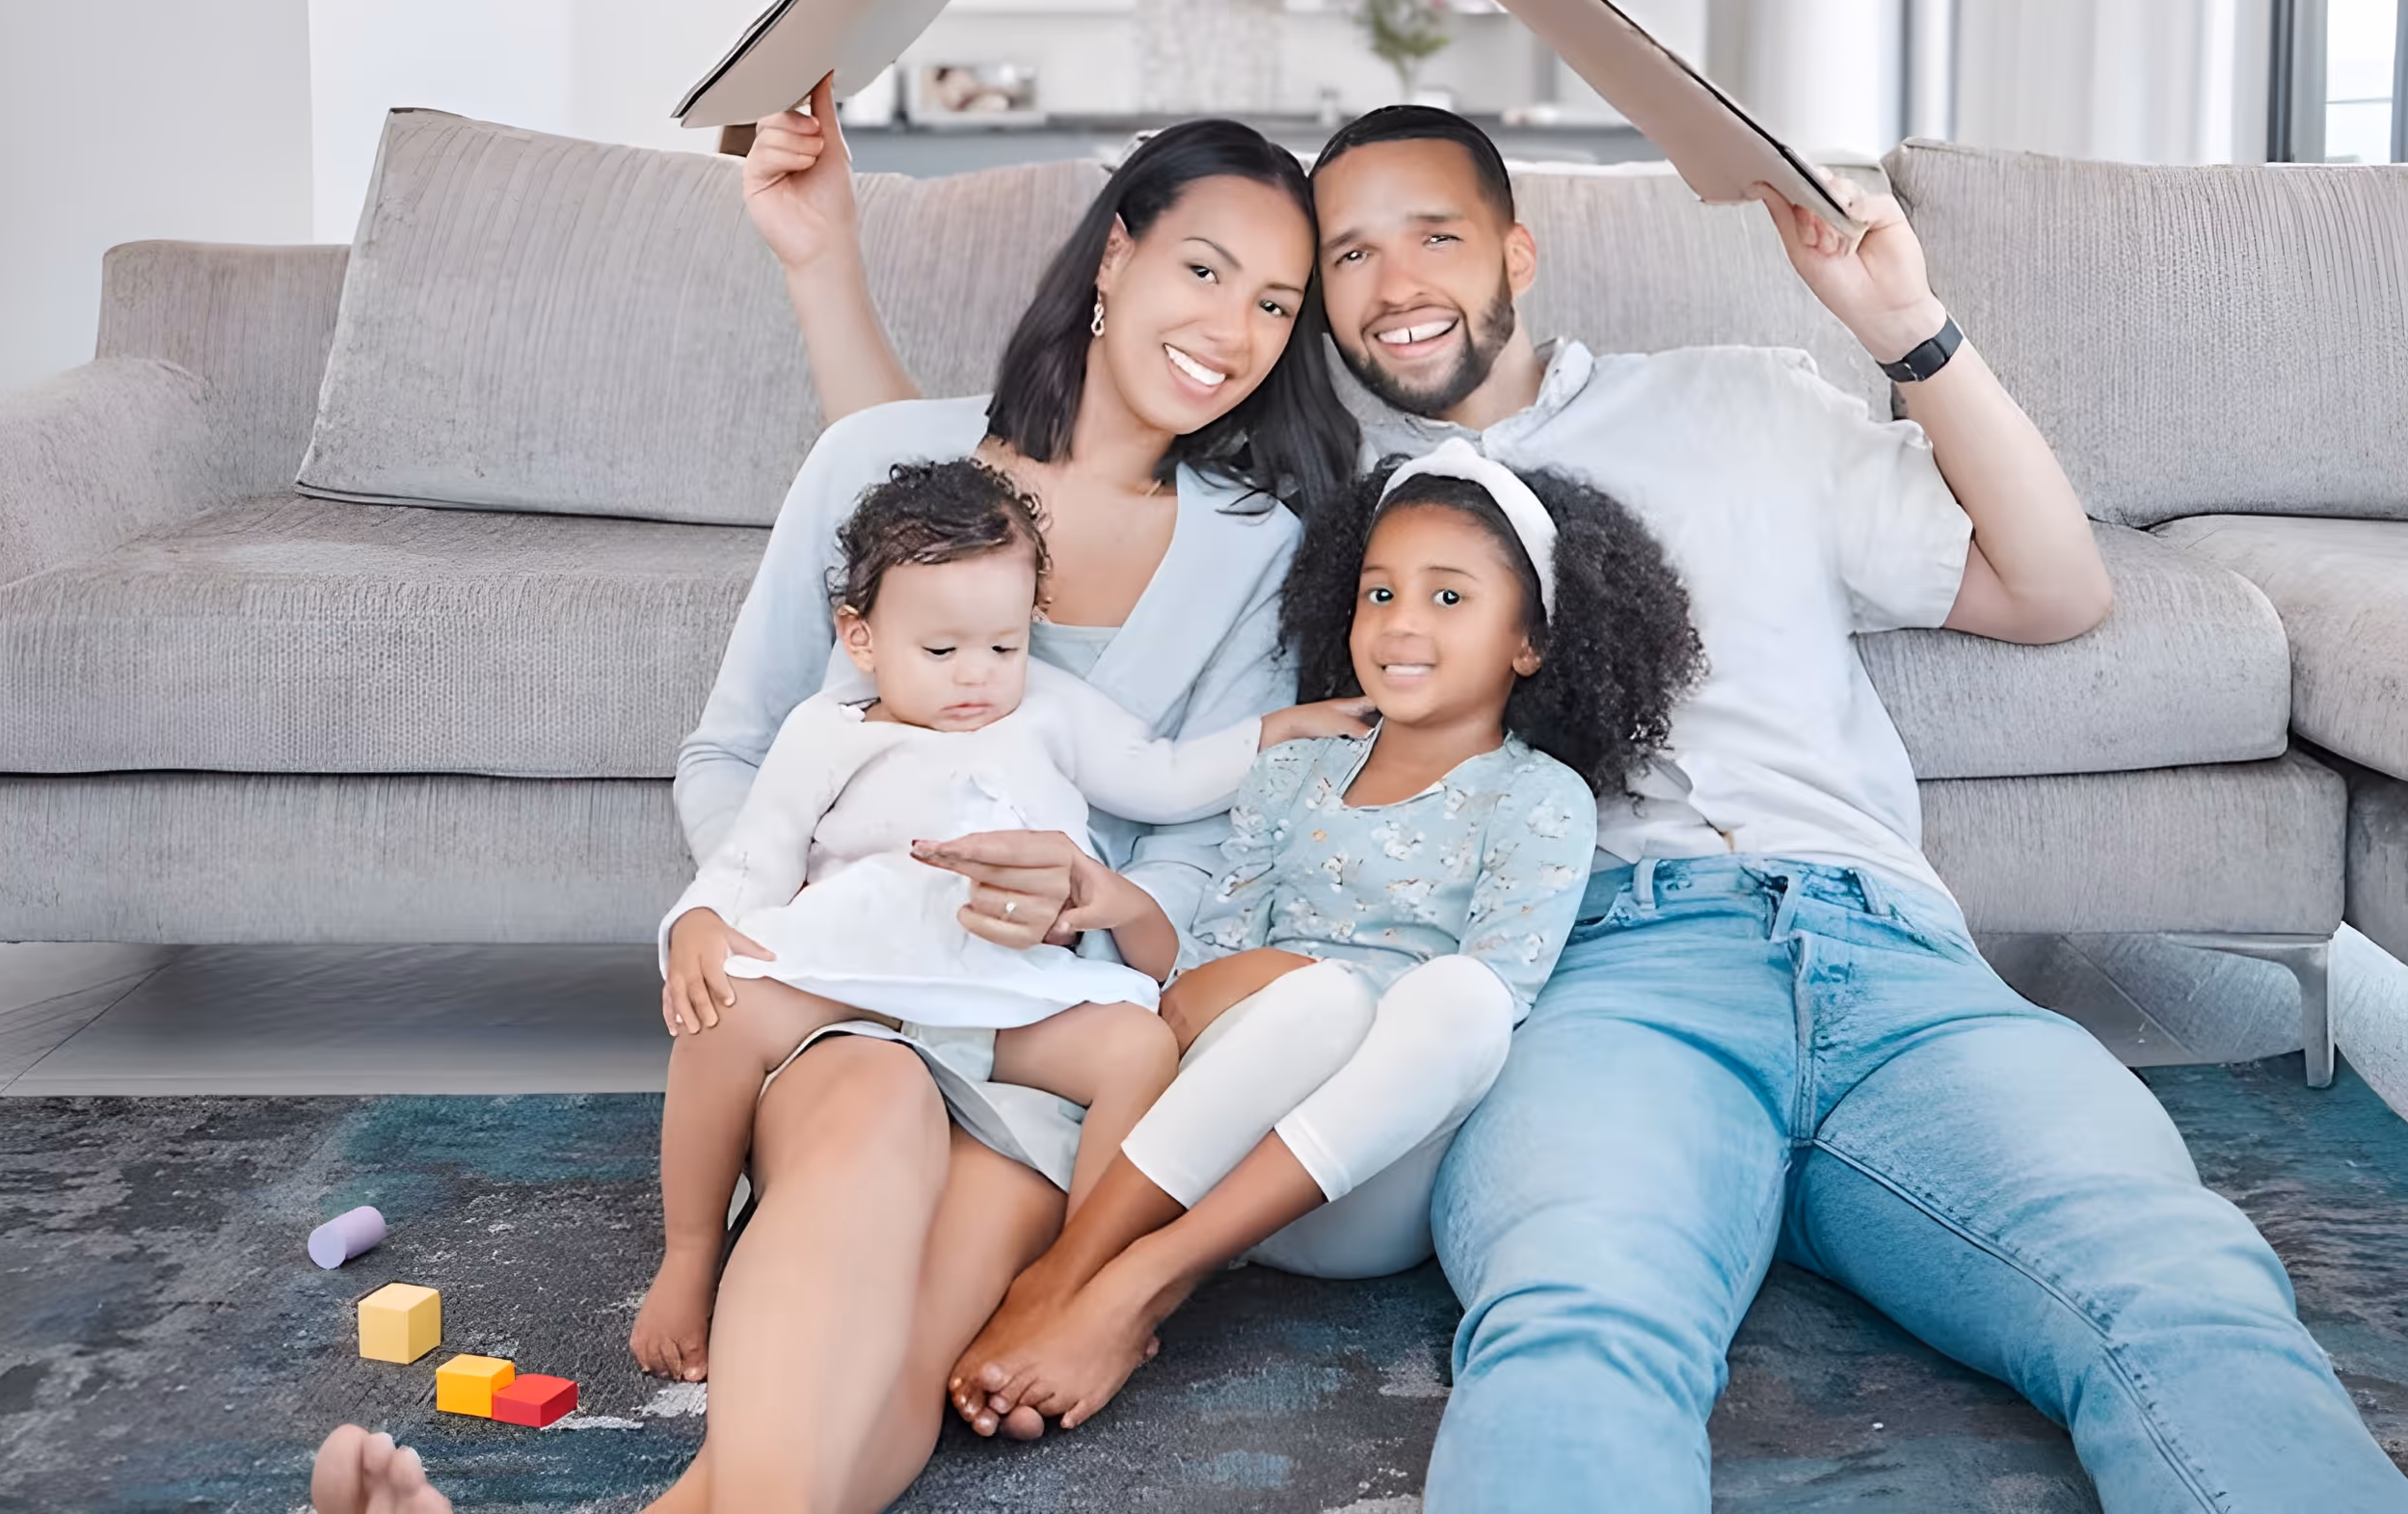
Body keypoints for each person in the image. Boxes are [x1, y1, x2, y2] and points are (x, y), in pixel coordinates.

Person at [703, 94, 2408, 1510]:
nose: (1387, 283)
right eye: (1339, 260)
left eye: (1426, 232)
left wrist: (1906, 326)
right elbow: (975, 535)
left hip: (1890, 955)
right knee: (1576, 1313)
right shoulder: (1319, 504)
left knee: (2176, 1281)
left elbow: (2054, 590)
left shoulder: (1742, 393)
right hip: (1581, 976)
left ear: (1516, 249)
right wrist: (823, 282)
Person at [306, 99, 1358, 1514]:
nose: (1233, 327)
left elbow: (1205, 863)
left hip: (1043, 1032)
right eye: (1206, 268)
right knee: (866, 1114)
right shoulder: (882, 465)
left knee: (913, 1356)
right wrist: (771, 921)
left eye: (1278, 302)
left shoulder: (1257, 547)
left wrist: (1098, 897)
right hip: (849, 999)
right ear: (1116, 255)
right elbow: (735, 757)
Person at [943, 441, 1701, 1432]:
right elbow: (1190, 999)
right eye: (1378, 594)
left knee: (1461, 996)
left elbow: (1486, 1020)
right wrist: (1163, 924)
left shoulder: (1537, 800)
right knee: (1316, 999)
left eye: (1447, 598)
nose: (1399, 625)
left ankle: (1143, 1281)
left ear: (1529, 642)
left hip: (1357, 1190)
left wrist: (1313, 985)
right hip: (1213, 1129)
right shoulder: (1290, 774)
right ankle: (1071, 1273)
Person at [635, 455, 1373, 1379]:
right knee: (718, 1016)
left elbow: (1166, 776)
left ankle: (1081, 1273)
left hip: (1005, 991)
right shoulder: (829, 729)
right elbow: (756, 855)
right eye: (940, 653)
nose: (977, 678)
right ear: (860, 638)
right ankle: (690, 1254)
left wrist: (1280, 729)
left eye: (1005, 646)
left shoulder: (1052, 711)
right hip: (856, 979)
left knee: (1138, 1049)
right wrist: (701, 921)